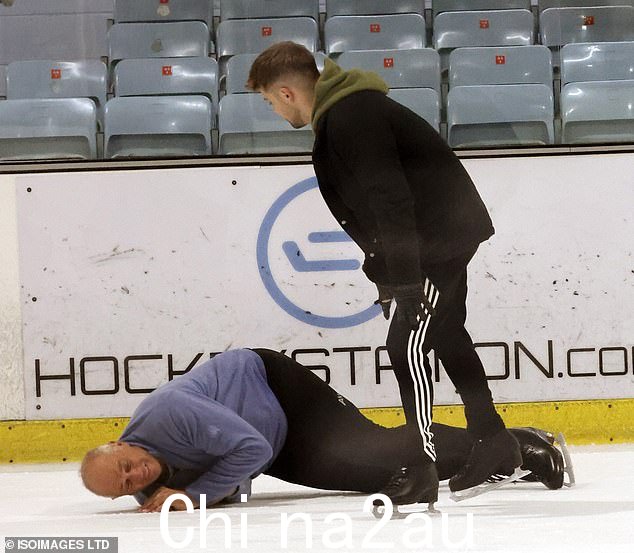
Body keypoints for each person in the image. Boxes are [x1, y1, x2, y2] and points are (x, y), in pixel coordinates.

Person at [246, 41, 524, 507]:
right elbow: (373, 208)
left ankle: (421, 466)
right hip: (440, 238)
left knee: (405, 346)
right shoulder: (345, 115)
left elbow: (390, 199)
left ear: (287, 92)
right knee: (447, 333)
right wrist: (388, 274)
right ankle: (493, 439)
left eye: (270, 100)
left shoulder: (353, 117)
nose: (273, 110)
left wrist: (406, 279)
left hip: (437, 242)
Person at [80, 349, 565, 512]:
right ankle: (492, 456)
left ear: (123, 442)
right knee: (375, 473)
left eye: (125, 465)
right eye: (125, 487)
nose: (135, 476)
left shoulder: (168, 413)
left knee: (375, 447)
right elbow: (240, 470)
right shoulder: (153, 485)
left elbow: (246, 449)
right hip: (270, 438)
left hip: (273, 387)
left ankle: (517, 443)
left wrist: (200, 494)